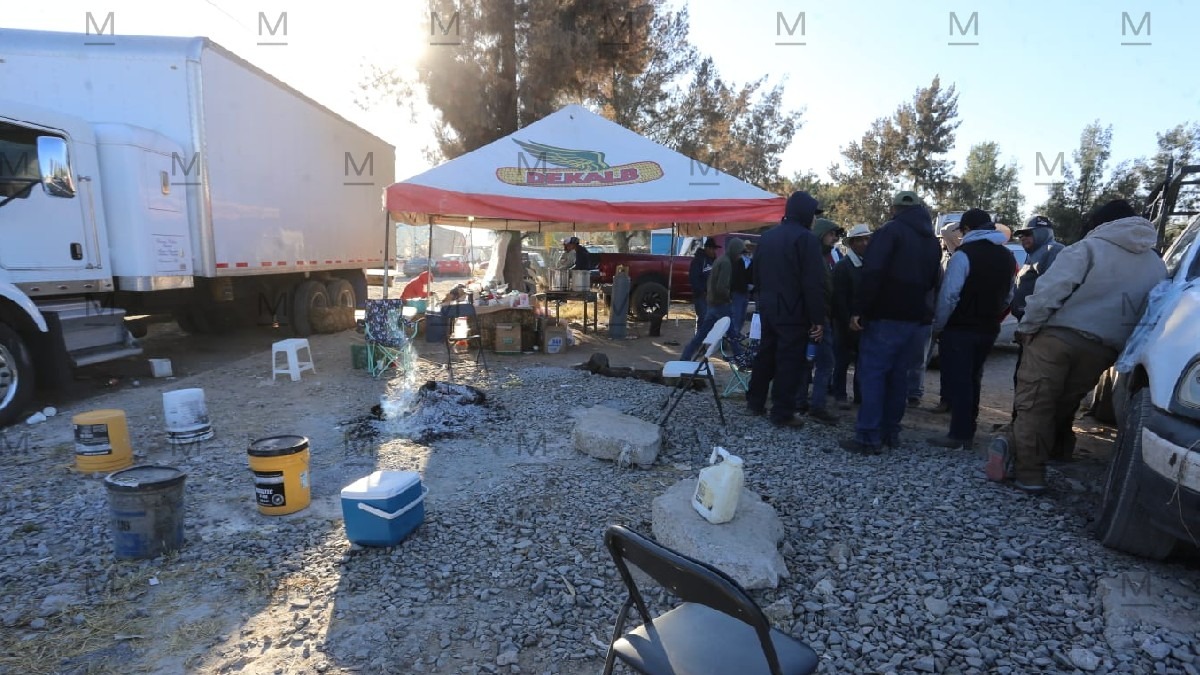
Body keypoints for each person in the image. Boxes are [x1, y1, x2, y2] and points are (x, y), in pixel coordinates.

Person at [988, 200, 1167, 492]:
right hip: (1104, 349)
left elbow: (1050, 292)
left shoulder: (1088, 248)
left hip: (1057, 338)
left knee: (1035, 404)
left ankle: (1028, 474)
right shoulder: (1155, 264)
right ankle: (1039, 448)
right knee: (1063, 404)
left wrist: (1027, 327)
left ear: (1100, 222)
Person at [840, 191, 941, 454]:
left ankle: (867, 437)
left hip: (885, 317)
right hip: (915, 319)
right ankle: (890, 433)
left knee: (873, 375)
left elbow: (873, 272)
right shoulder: (931, 240)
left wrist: (859, 310)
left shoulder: (890, 231)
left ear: (894, 208)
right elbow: (933, 280)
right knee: (899, 378)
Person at [926, 209, 1016, 450]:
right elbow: (1009, 295)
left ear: (967, 229)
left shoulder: (963, 256)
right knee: (974, 378)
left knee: (960, 381)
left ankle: (959, 434)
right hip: (988, 328)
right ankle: (969, 428)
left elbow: (949, 296)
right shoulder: (1007, 257)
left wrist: (939, 325)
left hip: (961, 329)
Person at [746, 191, 827, 428]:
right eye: (814, 214)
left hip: (768, 307)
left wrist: (762, 300)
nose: (815, 219)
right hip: (793, 310)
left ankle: (755, 401)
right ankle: (782, 413)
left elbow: (755, 274)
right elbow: (812, 282)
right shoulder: (806, 239)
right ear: (805, 214)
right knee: (789, 362)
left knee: (766, 355)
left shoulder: (768, 237)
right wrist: (817, 318)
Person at [796, 218, 843, 423]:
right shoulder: (817, 258)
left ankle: (800, 401)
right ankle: (817, 406)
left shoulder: (819, 256)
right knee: (825, 362)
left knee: (807, 361)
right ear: (822, 234)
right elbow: (818, 290)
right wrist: (819, 320)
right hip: (818, 319)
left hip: (813, 317)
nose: (835, 239)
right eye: (832, 234)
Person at [681, 238, 745, 361]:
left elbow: (711, 281)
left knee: (701, 335)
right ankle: (739, 356)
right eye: (740, 253)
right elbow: (721, 286)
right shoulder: (725, 263)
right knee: (731, 333)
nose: (740, 256)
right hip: (720, 303)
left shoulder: (718, 260)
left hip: (712, 302)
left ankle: (685, 357)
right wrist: (727, 298)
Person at [831, 224, 871, 410]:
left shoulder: (869, 264)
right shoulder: (843, 266)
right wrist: (847, 320)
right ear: (852, 243)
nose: (864, 243)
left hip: (864, 322)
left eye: (867, 239)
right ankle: (839, 394)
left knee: (863, 362)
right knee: (842, 361)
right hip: (844, 323)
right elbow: (838, 299)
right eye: (860, 239)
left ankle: (860, 395)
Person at [930, 219, 964, 414]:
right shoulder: (947, 256)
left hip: (953, 319)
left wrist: (940, 320)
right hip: (952, 319)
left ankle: (950, 402)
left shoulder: (959, 258)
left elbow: (949, 293)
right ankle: (948, 400)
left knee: (954, 363)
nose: (942, 242)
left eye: (944, 238)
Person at [1010, 215, 1064, 320]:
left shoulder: (1052, 250)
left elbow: (1052, 293)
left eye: (1027, 233)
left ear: (1043, 232)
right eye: (1020, 236)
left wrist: (1031, 325)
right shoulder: (1034, 253)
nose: (1023, 238)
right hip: (1029, 320)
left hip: (1041, 324)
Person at [688, 238, 718, 335]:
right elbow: (694, 278)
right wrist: (702, 291)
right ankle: (699, 340)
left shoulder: (714, 261)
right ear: (707, 249)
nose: (714, 251)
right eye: (712, 249)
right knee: (703, 317)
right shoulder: (698, 261)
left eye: (715, 249)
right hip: (701, 296)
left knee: (711, 318)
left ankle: (707, 339)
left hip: (712, 296)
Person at [730, 240, 754, 336]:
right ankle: (733, 338)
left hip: (745, 292)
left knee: (742, 317)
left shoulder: (750, 261)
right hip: (738, 292)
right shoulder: (737, 261)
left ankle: (735, 336)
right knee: (737, 316)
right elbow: (736, 278)